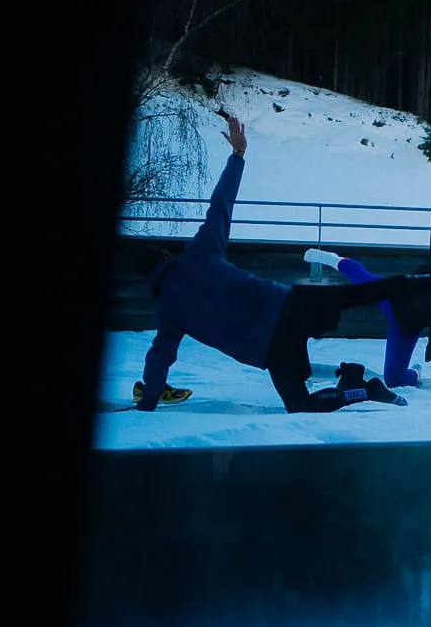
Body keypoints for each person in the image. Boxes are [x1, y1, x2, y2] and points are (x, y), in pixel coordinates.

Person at [135, 112, 411, 412]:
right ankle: (413, 287)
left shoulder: (168, 313)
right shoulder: (198, 255)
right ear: (166, 256)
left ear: (147, 278)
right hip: (290, 304)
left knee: (301, 404)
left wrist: (148, 402)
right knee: (357, 294)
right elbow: (220, 206)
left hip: (271, 348)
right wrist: (238, 155)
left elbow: (159, 357)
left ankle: (365, 391)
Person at [336, 149, 431, 391]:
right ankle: (334, 260)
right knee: (362, 277)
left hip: (406, 326)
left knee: (393, 379)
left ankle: (414, 374)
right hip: (393, 298)